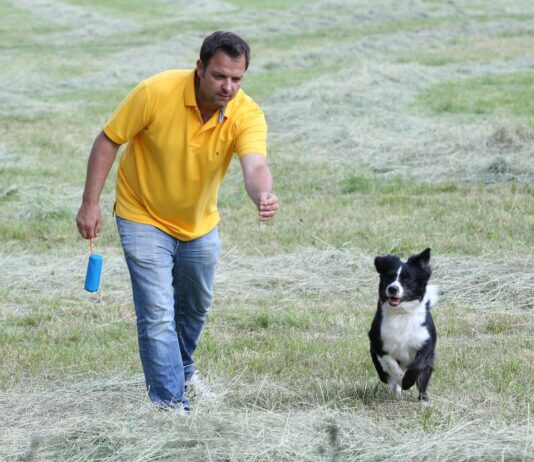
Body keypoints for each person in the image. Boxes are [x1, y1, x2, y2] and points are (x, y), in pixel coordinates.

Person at [76, 31, 279, 411]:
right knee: (157, 313)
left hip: (199, 223)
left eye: (237, 79)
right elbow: (108, 139)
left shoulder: (245, 113)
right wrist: (91, 203)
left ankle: (182, 369)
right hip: (142, 214)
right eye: (220, 76)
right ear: (199, 68)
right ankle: (171, 406)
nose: (228, 87)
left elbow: (256, 165)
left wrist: (263, 195)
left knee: (195, 306)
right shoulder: (157, 92)